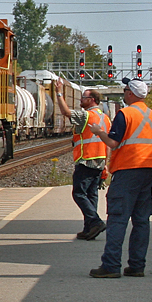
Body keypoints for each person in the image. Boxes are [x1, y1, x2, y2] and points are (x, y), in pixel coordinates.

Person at [88, 77, 152, 278]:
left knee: (118, 219)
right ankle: (137, 266)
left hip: (128, 170)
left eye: (126, 89)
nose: (124, 92)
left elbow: (112, 143)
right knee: (141, 220)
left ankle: (111, 265)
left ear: (131, 94)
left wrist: (99, 132)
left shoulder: (125, 114)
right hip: (148, 170)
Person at [53, 78, 110, 240]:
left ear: (92, 100)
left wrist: (59, 93)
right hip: (100, 161)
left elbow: (66, 112)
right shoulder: (105, 118)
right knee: (91, 195)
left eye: (83, 98)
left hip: (87, 160)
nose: (81, 100)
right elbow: (109, 143)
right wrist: (107, 164)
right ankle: (89, 229)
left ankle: (95, 222)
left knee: (79, 193)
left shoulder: (86, 116)